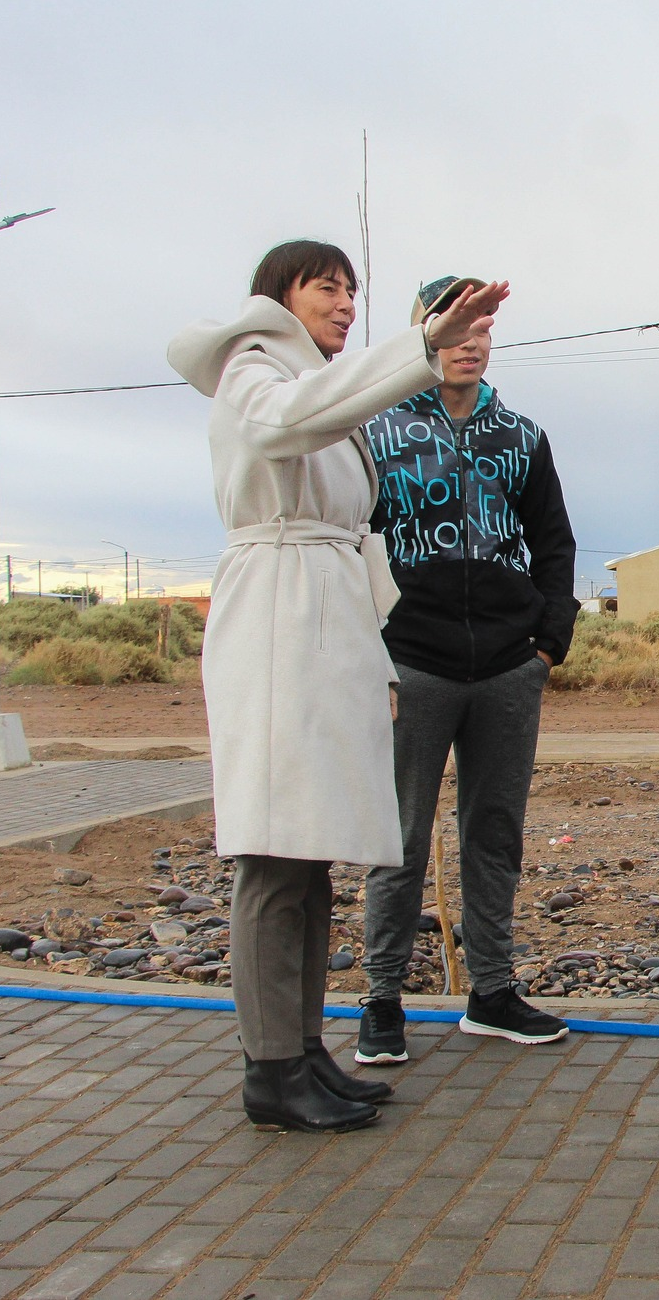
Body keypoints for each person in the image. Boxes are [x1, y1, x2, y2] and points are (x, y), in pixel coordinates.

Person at [168, 241, 507, 1132]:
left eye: (354, 289)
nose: (347, 302)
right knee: (274, 851)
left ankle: (302, 1047)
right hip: (279, 616)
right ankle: (270, 1067)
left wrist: (372, 659)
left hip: (322, 614)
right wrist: (421, 346)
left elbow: (345, 500)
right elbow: (285, 425)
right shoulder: (254, 367)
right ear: (278, 295)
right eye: (327, 286)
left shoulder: (311, 379)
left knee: (310, 849)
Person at [356, 276, 579, 1064]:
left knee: (494, 833)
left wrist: (547, 645)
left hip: (507, 668)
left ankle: (491, 991)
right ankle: (382, 999)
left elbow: (554, 542)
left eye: (482, 327)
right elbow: (353, 540)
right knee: (399, 834)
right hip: (412, 663)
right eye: (454, 327)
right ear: (423, 335)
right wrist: (371, 652)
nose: (470, 341)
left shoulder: (522, 436)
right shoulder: (376, 432)